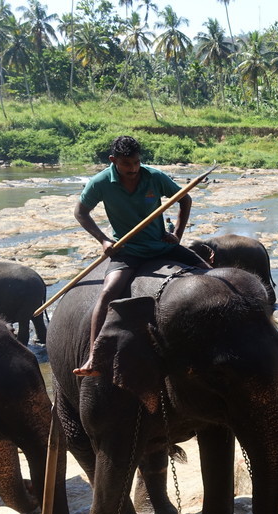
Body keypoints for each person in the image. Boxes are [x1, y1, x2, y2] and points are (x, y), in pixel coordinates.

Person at [73, 135, 211, 376]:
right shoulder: (100, 182)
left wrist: (177, 233)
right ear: (113, 160)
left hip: (161, 245)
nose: (133, 169)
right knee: (107, 294)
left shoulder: (153, 176)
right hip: (128, 250)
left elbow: (184, 199)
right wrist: (103, 240)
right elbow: (81, 212)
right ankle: (94, 356)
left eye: (136, 162)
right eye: (127, 164)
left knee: (210, 277)